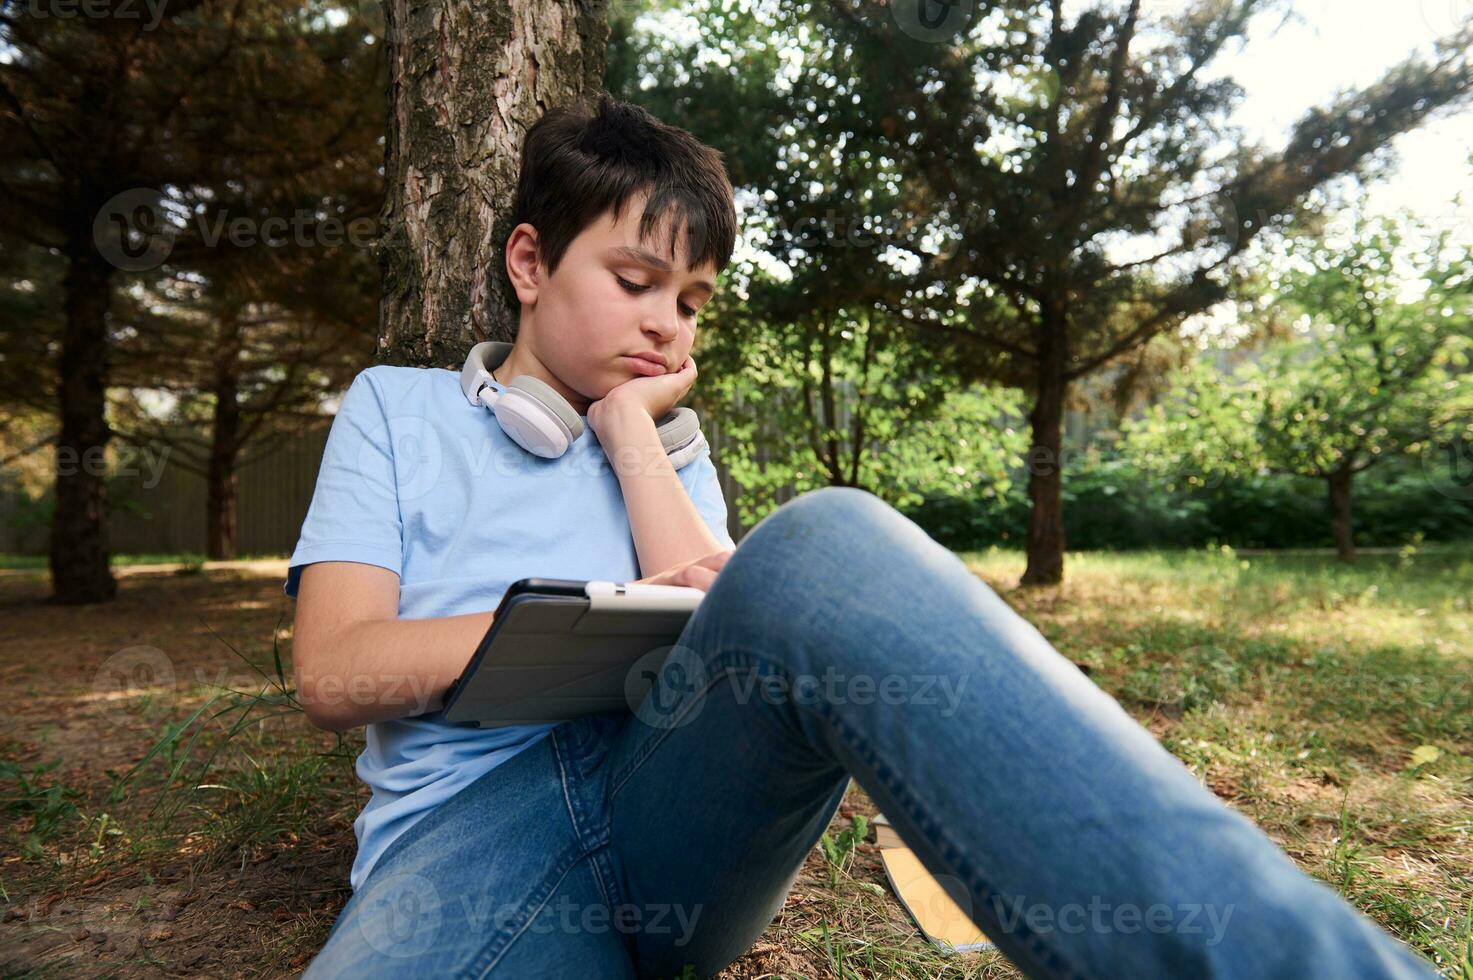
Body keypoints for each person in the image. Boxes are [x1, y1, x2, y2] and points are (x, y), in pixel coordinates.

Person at [287, 95, 1436, 979]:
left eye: (690, 303)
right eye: (635, 279)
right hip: (467, 834)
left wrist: (632, 432)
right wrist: (536, 632)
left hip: (673, 801)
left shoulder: (670, 451)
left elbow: (705, 598)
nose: (662, 321)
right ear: (530, 264)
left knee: (821, 543)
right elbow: (335, 670)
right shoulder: (400, 407)